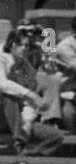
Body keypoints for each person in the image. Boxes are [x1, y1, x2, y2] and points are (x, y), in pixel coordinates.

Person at [0, 22, 63, 155]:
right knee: (9, 95)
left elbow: (30, 103)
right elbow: (3, 84)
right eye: (19, 44)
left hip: (15, 120)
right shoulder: (2, 58)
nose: (23, 48)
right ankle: (19, 144)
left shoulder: (27, 67)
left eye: (27, 45)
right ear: (11, 44)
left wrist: (27, 122)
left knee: (55, 136)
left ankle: (29, 154)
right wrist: (30, 94)